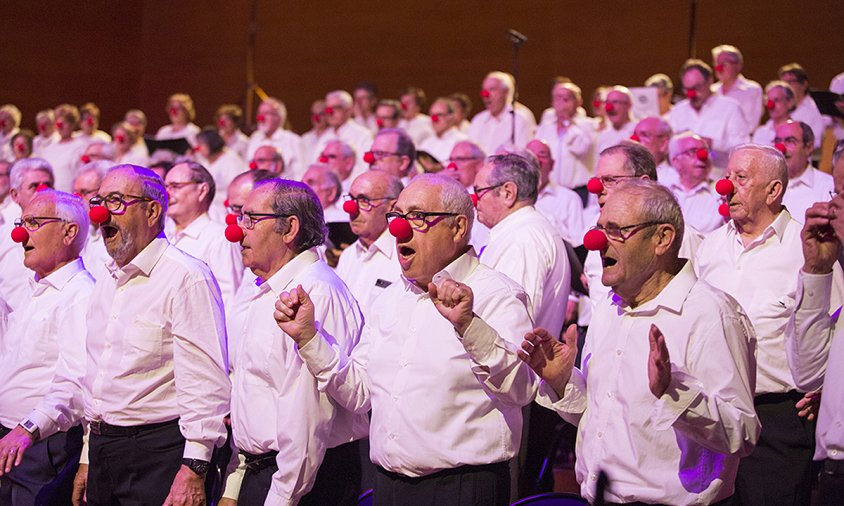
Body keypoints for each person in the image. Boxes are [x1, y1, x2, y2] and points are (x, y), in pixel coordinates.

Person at [276, 174, 537, 505]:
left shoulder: (496, 294)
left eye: (418, 217)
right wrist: (310, 338)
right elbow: (359, 394)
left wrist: (470, 326)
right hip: (389, 487)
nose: (399, 228)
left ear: (457, 228)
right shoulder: (390, 297)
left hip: (460, 489)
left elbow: (521, 389)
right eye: (397, 216)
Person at [521, 179, 759, 504]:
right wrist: (564, 381)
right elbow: (604, 416)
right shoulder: (609, 307)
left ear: (662, 238)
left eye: (616, 230)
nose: (595, 243)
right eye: (599, 228)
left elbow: (742, 434)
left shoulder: (710, 313)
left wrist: (673, 391)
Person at [72, 164, 230, 505]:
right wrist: (88, 454)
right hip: (103, 447)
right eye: (99, 200)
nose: (100, 213)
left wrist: (194, 466)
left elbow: (205, 381)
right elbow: (98, 377)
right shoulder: (107, 279)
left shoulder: (186, 277)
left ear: (152, 210)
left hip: (157, 453)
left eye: (115, 201)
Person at [694, 144, 844, 504]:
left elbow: (834, 327)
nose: (726, 187)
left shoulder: (808, 247)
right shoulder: (711, 247)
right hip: (713, 415)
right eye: (727, 176)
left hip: (776, 421)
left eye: (741, 178)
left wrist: (827, 390)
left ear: (774, 191)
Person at [222, 178, 365, 505]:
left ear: (289, 229)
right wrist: (236, 483)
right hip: (263, 473)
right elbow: (256, 391)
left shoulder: (315, 293)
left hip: (303, 482)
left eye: (251, 219)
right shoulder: (265, 289)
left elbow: (309, 419)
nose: (237, 231)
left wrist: (281, 497)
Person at [0, 190, 93, 505]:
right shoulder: (33, 289)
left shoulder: (79, 295)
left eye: (34, 223)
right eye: (21, 222)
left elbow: (76, 385)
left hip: (41, 447)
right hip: (9, 439)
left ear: (69, 232)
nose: (20, 234)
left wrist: (27, 429)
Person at [785, 144, 844, 505]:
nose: (833, 206)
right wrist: (817, 271)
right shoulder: (836, 269)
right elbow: (808, 374)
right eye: (835, 191)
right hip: (834, 469)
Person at [474, 152, 571, 337]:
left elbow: (514, 326)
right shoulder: (519, 233)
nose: (474, 200)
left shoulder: (523, 239)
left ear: (508, 193)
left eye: (479, 191)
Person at [164, 160, 244, 311]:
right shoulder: (164, 236)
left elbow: (228, 301)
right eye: (166, 187)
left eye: (175, 186)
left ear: (201, 190)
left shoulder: (219, 239)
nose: (167, 193)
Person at [336, 170, 403, 320]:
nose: (351, 209)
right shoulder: (348, 255)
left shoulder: (403, 258)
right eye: (352, 199)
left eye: (364, 201)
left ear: (392, 207)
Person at [667, 59, 749, 172]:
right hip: (683, 178)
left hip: (718, 176)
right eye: (687, 89)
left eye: (697, 88)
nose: (692, 94)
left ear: (710, 81)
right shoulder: (678, 110)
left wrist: (713, 143)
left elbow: (743, 146)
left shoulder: (730, 108)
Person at [1, 158, 55, 311]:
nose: (43, 191)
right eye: (34, 186)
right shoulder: (3, 237)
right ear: (15, 195)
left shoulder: (67, 234)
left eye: (48, 185)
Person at [535, 80, 594, 190]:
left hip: (578, 189)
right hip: (550, 189)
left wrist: (568, 123)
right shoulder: (545, 128)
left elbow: (581, 149)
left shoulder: (587, 125)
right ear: (552, 103)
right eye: (558, 98)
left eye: (567, 98)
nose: (562, 102)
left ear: (579, 102)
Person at [527, 139, 585, 246]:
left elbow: (578, 244)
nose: (536, 161)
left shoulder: (569, 198)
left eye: (542, 156)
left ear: (552, 164)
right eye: (530, 156)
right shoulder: (516, 198)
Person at [665, 132, 724, 233]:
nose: (702, 156)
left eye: (705, 151)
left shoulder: (720, 195)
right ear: (675, 161)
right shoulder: (663, 191)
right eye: (692, 151)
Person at [776, 120, 833, 223]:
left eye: (790, 140)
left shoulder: (828, 186)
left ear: (809, 147)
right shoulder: (765, 185)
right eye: (777, 141)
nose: (781, 148)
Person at [468, 71, 536, 153]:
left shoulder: (519, 120)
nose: (485, 95)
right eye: (484, 90)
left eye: (492, 89)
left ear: (506, 92)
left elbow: (523, 155)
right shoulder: (478, 120)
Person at [73, 160, 113, 283]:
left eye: (85, 192)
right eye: (76, 193)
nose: (78, 199)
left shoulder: (115, 234)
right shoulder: (85, 231)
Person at [314, 90, 374, 172]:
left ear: (349, 110)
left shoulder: (363, 135)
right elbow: (315, 164)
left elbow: (364, 167)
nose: (330, 113)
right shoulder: (325, 137)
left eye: (336, 108)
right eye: (328, 109)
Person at [711, 44, 764, 135]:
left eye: (724, 64)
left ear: (738, 65)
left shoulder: (752, 90)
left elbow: (751, 125)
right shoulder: (711, 91)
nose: (719, 68)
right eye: (717, 63)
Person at [246, 97, 303, 178]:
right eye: (259, 113)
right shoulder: (254, 139)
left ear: (279, 117)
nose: (261, 118)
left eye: (266, 113)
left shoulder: (293, 141)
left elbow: (300, 173)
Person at [194, 128, 244, 218]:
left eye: (201, 144)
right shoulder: (205, 162)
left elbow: (236, 190)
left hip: (225, 209)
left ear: (211, 144)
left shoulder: (231, 160)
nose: (198, 148)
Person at [40, 104, 87, 192]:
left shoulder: (81, 146)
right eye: (59, 123)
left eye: (66, 123)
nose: (62, 127)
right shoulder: (49, 148)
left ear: (73, 125)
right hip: (51, 195)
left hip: (71, 195)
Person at [778, 63, 824, 149]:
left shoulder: (815, 108)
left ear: (804, 84)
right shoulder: (781, 109)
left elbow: (816, 142)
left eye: (790, 82)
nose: (786, 87)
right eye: (783, 83)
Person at [419, 97, 468, 163]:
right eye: (432, 115)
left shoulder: (462, 141)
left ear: (451, 117)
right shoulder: (426, 143)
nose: (434, 119)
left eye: (439, 115)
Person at [595, 86, 637, 161]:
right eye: (607, 102)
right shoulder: (603, 135)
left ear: (628, 105)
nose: (609, 107)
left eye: (615, 102)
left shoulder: (639, 130)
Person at [632, 117, 674, 185]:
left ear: (664, 144)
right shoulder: (626, 175)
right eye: (635, 135)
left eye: (644, 135)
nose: (635, 141)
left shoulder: (673, 180)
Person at [752, 81, 796, 146]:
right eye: (769, 101)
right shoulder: (760, 132)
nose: (771, 105)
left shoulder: (797, 132)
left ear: (789, 102)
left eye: (776, 100)